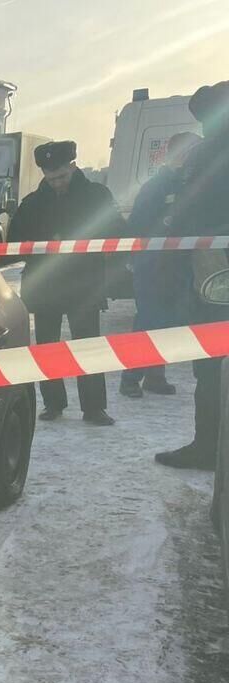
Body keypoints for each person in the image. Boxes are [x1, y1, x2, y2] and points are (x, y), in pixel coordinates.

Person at [9, 140, 127, 426]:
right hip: (45, 284)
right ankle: (53, 402)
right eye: (50, 179)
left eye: (61, 176)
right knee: (47, 347)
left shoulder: (97, 196)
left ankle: (94, 407)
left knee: (87, 345)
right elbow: (15, 240)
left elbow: (118, 233)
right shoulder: (33, 202)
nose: (56, 183)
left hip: (83, 284)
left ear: (73, 166)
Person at [155, 81, 229, 471]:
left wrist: (170, 262)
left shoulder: (209, 154)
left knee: (213, 364)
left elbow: (189, 212)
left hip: (216, 276)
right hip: (213, 272)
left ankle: (208, 448)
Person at [119, 131, 202, 398]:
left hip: (177, 263)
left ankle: (155, 376)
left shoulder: (187, 182)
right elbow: (137, 225)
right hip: (152, 263)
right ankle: (130, 377)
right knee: (147, 320)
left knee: (167, 320)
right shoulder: (157, 186)